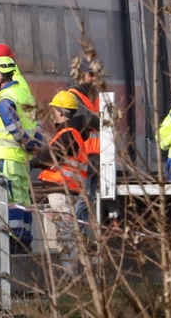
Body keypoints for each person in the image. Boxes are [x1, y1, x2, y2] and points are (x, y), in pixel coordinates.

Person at [0, 54, 42, 252]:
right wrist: (35, 146)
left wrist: (26, 144)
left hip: (7, 158)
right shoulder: (25, 95)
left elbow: (13, 127)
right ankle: (25, 241)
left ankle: (13, 243)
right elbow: (38, 124)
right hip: (23, 160)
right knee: (24, 201)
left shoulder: (5, 99)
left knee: (11, 202)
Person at [32, 91, 89, 275]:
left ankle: (70, 277)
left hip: (62, 191)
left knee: (66, 235)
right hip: (69, 190)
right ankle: (74, 276)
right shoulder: (74, 132)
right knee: (69, 234)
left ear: (60, 112)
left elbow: (53, 155)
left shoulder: (68, 134)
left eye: (54, 110)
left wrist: (33, 162)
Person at [67, 58, 102, 221]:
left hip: (96, 157)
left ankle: (83, 235)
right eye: (90, 74)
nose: (94, 78)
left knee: (89, 198)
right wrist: (105, 121)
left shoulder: (95, 97)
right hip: (84, 156)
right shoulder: (73, 96)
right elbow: (87, 119)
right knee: (84, 198)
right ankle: (76, 232)